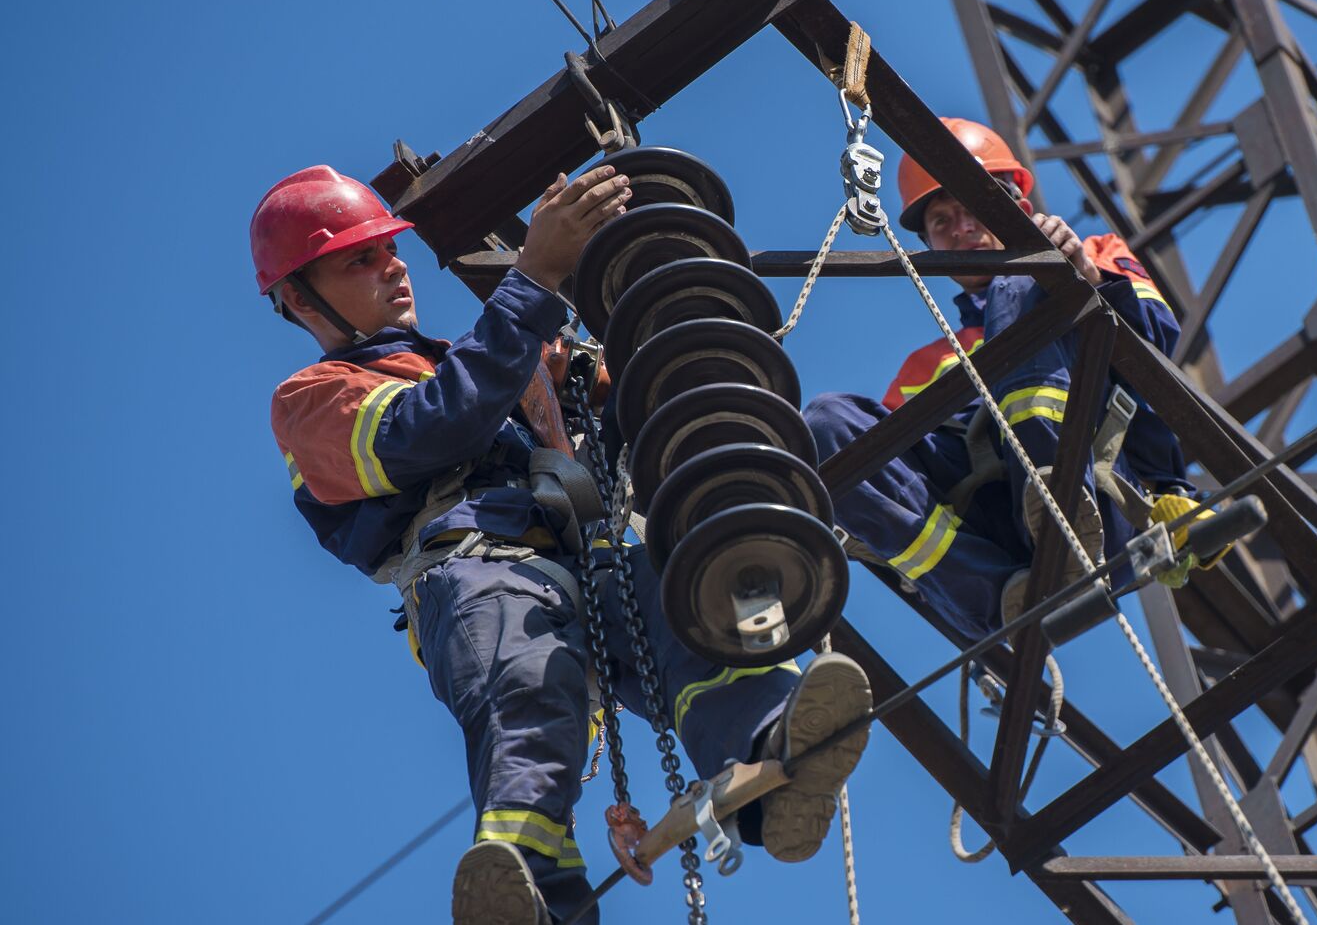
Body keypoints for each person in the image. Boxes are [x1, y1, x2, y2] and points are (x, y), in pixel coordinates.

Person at [255, 163, 871, 925]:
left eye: (389, 250)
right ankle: (534, 888)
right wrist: (535, 277)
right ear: (297, 298)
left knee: (688, 603)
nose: (393, 267)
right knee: (528, 689)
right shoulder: (315, 400)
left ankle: (771, 761)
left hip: (592, 555)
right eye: (359, 259)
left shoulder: (502, 366)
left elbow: (624, 422)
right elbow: (434, 428)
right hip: (484, 567)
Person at [805, 118, 1216, 644]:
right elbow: (901, 483)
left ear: (1018, 207)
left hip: (1097, 496)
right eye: (941, 221)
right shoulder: (922, 368)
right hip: (1000, 560)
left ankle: (1056, 500)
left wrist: (1082, 280)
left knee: (1024, 274)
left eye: (971, 206)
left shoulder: (1094, 254)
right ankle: (997, 596)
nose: (960, 229)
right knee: (827, 424)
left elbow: (1156, 347)